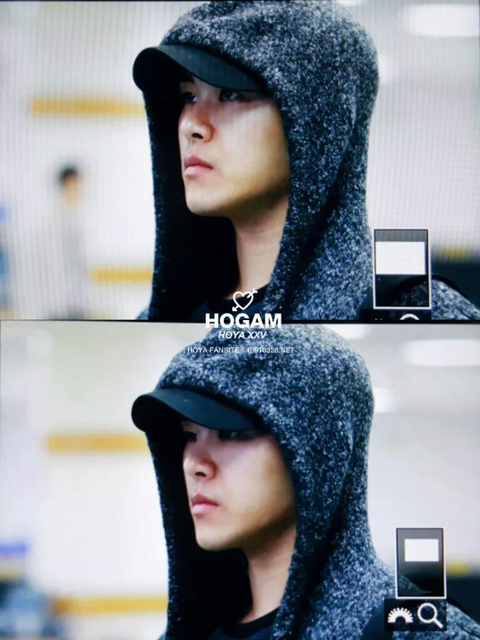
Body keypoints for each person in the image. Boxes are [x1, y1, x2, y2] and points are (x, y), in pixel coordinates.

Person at [132, 1, 479, 321]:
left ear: (316, 123)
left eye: (231, 94)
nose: (191, 125)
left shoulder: (416, 314)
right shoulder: (160, 321)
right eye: (188, 96)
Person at [131, 326, 480, 640]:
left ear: (317, 451)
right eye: (189, 436)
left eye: (232, 432)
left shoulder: (415, 630)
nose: (194, 464)